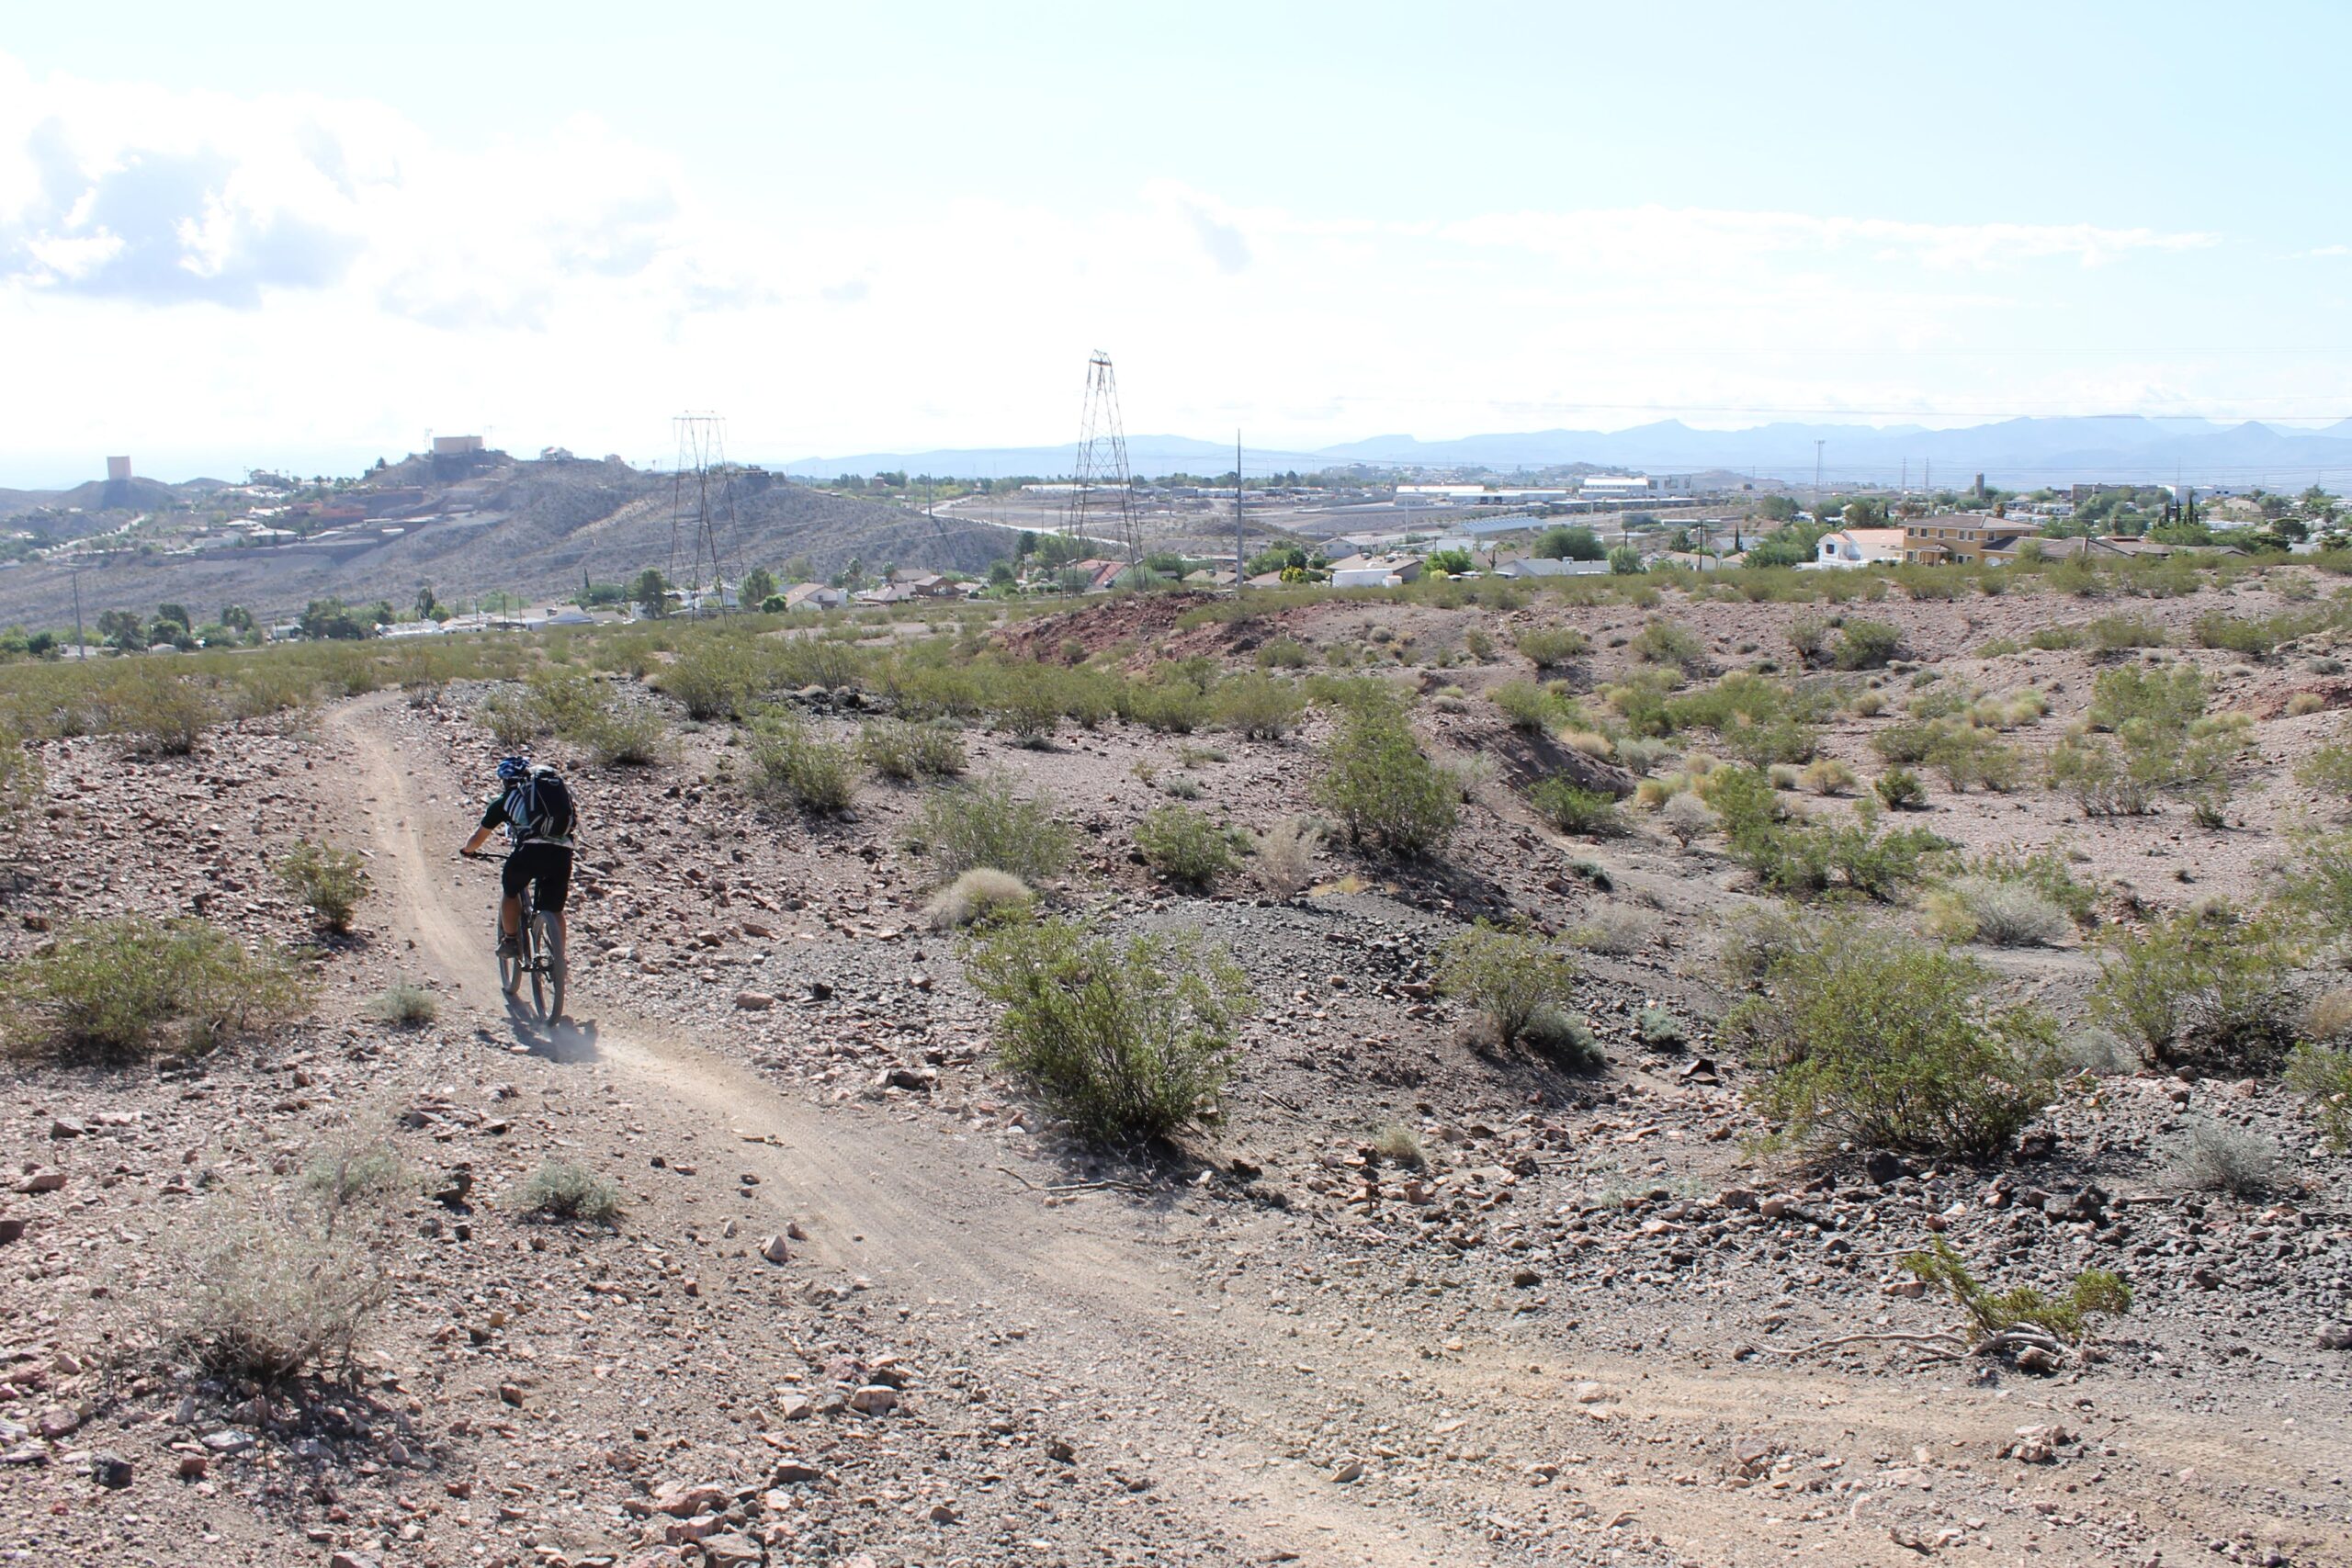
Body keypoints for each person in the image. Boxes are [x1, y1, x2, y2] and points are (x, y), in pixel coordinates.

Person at [459, 755, 575, 961]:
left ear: (504, 781)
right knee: (555, 909)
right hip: (563, 852)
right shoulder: (547, 795)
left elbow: (477, 839)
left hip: (530, 853)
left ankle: (511, 940)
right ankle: (559, 957)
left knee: (511, 890)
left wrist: (467, 851)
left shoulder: (505, 802)